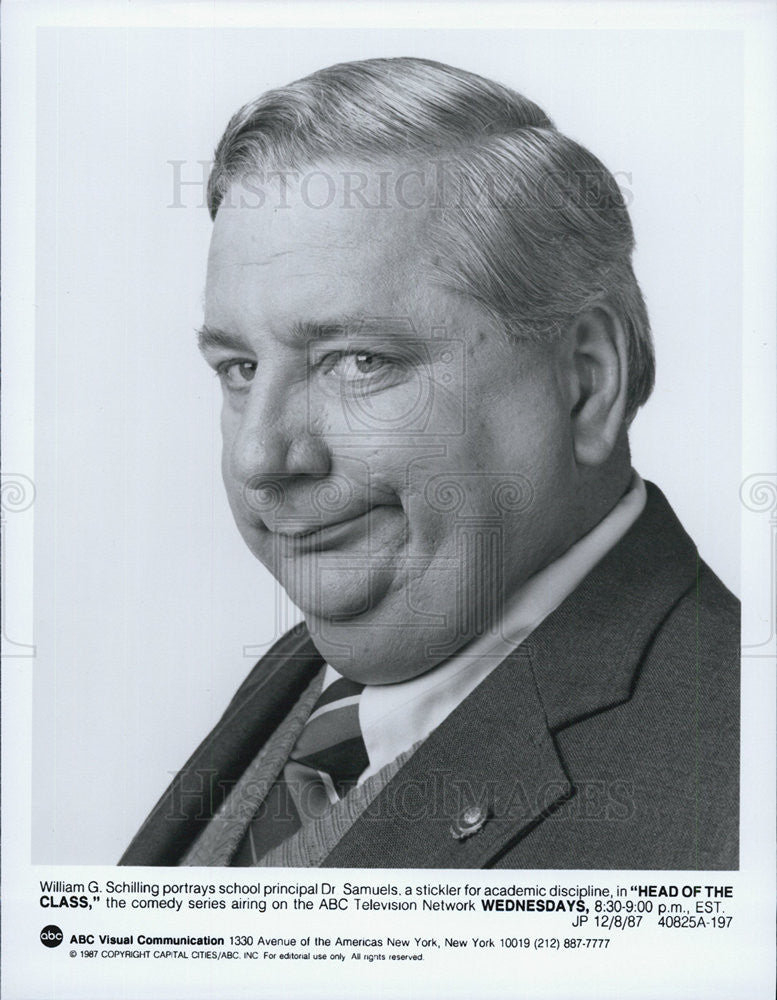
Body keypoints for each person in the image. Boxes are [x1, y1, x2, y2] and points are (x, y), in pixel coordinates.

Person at [120, 57, 739, 869]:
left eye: (358, 361)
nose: (259, 457)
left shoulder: (731, 791)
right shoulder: (328, 661)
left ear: (585, 381)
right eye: (239, 369)